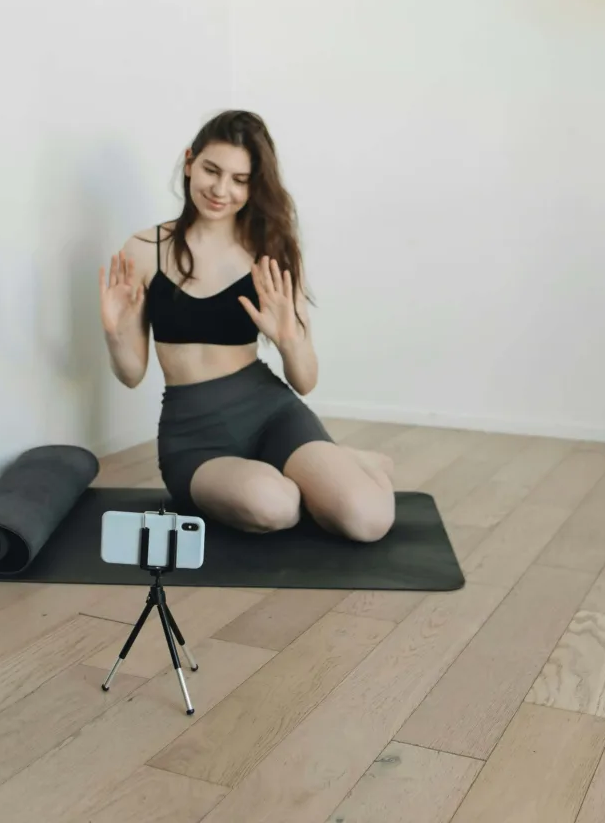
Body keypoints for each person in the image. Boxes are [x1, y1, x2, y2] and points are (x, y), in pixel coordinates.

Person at [99, 110, 395, 541]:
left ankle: (360, 466)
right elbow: (131, 375)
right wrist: (115, 332)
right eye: (212, 171)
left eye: (240, 179)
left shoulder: (269, 253)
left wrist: (288, 338)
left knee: (366, 520)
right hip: (194, 437)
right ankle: (326, 467)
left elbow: (305, 381)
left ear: (255, 185)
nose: (221, 190)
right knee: (275, 507)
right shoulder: (145, 249)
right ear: (189, 163)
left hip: (271, 415)